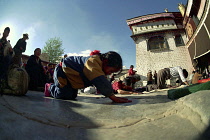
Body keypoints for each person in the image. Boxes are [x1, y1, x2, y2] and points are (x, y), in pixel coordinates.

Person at [44, 51, 132, 103]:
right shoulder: (93, 61)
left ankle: (61, 90)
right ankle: (49, 87)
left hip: (72, 80)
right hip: (62, 72)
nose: (110, 73)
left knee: (71, 96)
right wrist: (113, 97)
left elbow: (103, 83)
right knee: (61, 95)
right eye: (111, 71)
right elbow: (101, 82)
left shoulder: (100, 69)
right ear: (106, 62)